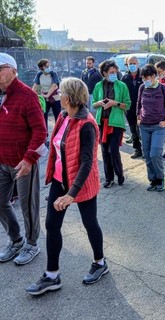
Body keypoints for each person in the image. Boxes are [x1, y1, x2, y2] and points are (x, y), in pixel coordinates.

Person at [26, 77, 108, 295]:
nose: (56, 95)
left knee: (90, 223)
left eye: (60, 92)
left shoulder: (86, 124)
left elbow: (87, 163)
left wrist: (72, 194)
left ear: (69, 97)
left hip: (81, 183)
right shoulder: (63, 115)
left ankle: (100, 263)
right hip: (60, 181)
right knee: (52, 225)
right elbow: (57, 149)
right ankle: (52, 275)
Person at [0, 53, 47, 265]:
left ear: (14, 70)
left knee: (29, 206)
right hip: (2, 160)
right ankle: (16, 240)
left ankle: (31, 244)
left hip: (23, 162)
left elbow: (40, 131)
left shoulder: (27, 95)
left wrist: (29, 159)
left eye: (1, 68)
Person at [137, 64, 165, 191]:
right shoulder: (142, 88)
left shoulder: (163, 88)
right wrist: (138, 117)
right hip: (144, 126)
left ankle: (160, 178)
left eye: (146, 78)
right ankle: (153, 180)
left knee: (155, 154)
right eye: (143, 78)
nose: (144, 80)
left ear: (154, 76)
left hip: (159, 126)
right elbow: (138, 104)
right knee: (147, 155)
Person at [92, 60, 131, 188]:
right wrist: (99, 103)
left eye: (115, 72)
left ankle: (119, 174)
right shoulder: (98, 85)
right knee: (104, 151)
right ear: (104, 73)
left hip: (116, 123)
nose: (114, 74)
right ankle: (109, 178)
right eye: (111, 72)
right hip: (101, 122)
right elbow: (93, 103)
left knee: (113, 150)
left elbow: (128, 104)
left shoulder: (122, 86)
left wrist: (115, 103)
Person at [32, 59, 61, 141]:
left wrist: (48, 94)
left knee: (58, 116)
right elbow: (35, 85)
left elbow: (54, 85)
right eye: (46, 66)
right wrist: (31, 95)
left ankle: (58, 135)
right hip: (44, 98)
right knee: (43, 116)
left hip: (55, 97)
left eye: (49, 66)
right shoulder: (39, 74)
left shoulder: (53, 73)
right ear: (41, 67)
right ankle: (45, 136)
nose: (48, 67)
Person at [121, 55, 143, 159]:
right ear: (127, 65)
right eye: (130, 64)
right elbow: (121, 93)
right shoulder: (124, 77)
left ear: (138, 64)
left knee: (143, 130)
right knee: (133, 130)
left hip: (143, 108)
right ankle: (137, 149)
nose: (133, 65)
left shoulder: (143, 76)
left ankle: (146, 149)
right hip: (129, 108)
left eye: (134, 63)